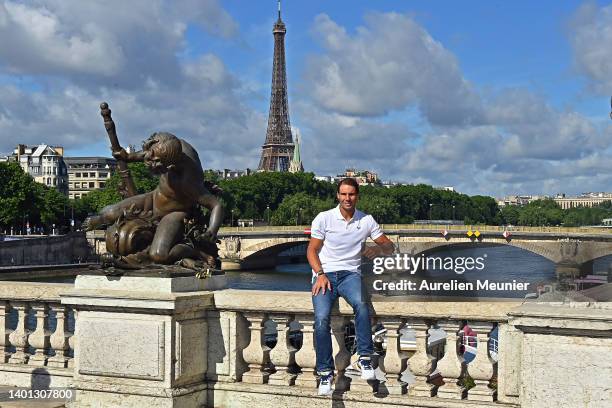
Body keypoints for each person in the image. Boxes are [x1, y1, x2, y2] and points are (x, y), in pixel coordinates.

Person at [307, 177, 394, 395]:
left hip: (349, 275)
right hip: (324, 274)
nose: (347, 198)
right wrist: (320, 274)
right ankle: (325, 372)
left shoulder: (366, 220)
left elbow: (389, 246)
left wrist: (378, 249)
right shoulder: (324, 218)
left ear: (357, 196)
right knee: (321, 319)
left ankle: (364, 357)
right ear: (338, 196)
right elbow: (311, 251)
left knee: (361, 305)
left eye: (351, 194)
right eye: (344, 194)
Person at [82, 132, 223, 266]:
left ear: (170, 167)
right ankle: (102, 220)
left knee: (159, 255)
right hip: (153, 197)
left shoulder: (188, 181)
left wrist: (212, 231)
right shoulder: (168, 144)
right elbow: (151, 154)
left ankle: (195, 252)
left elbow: (216, 205)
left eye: (156, 164)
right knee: (109, 212)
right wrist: (129, 157)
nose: (150, 164)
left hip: (174, 212)